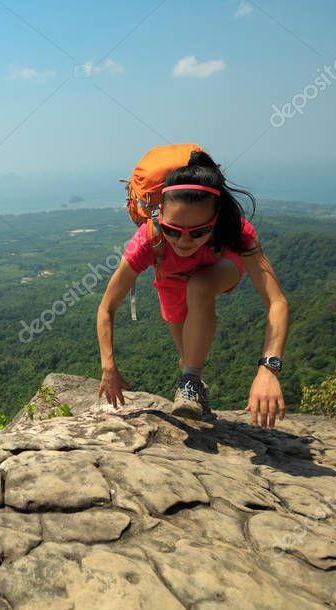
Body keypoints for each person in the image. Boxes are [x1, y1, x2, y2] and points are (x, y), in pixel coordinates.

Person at [96, 149, 290, 429]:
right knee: (187, 356)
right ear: (159, 214)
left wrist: (269, 370)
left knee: (199, 287)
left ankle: (190, 381)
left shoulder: (237, 231)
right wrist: (108, 367)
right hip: (171, 280)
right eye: (172, 230)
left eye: (198, 232)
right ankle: (196, 388)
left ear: (217, 220)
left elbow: (277, 302)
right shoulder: (148, 240)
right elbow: (107, 307)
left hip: (221, 265)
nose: (183, 241)